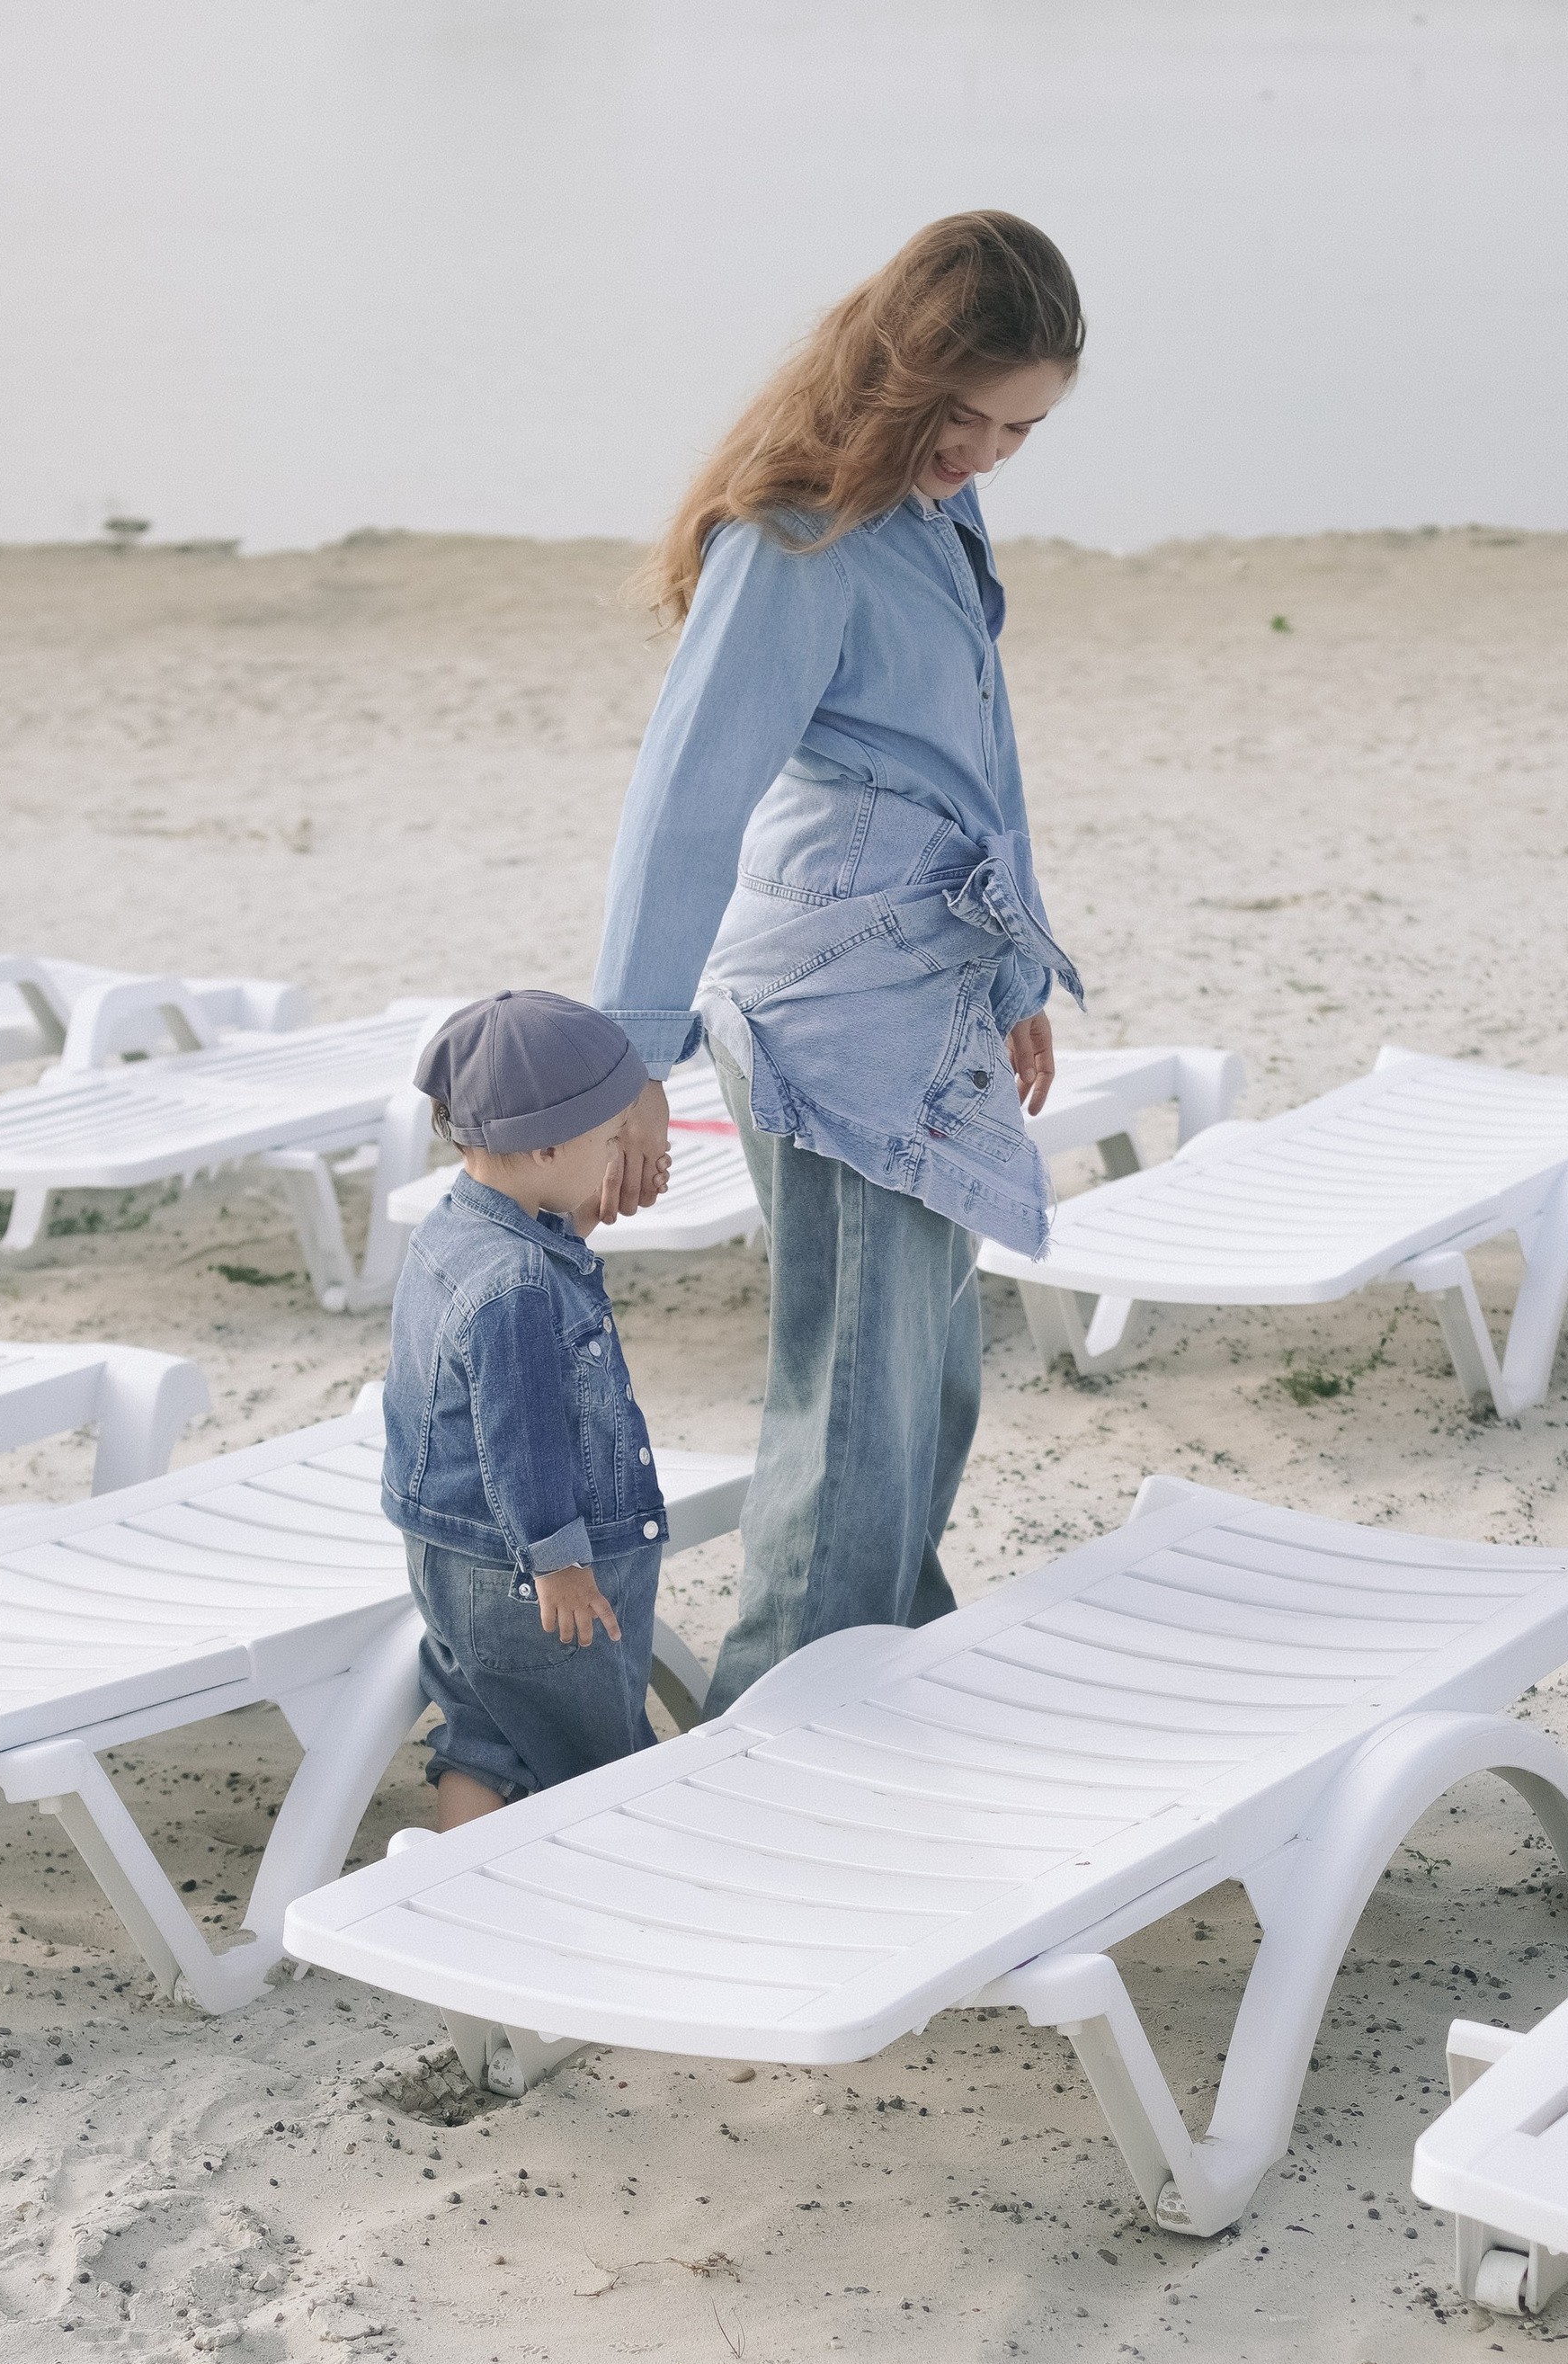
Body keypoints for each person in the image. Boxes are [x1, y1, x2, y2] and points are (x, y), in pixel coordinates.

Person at [594, 209, 1084, 1715]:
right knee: (855, 1406)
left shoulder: (931, 512)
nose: (992, 450)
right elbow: (686, 791)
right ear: (903, 368)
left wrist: (1014, 982)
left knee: (926, 1383)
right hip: (826, 1004)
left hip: (926, 992)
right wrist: (623, 1050)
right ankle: (772, 1732)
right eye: (974, 415)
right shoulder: (791, 535)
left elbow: (976, 759)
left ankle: (892, 1676)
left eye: (1025, 428)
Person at [379, 990, 671, 1828]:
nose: (621, 1151)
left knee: (489, 1728)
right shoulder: (515, 1287)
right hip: (529, 1570)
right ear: (545, 1145)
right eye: (611, 1139)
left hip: (451, 1551)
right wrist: (559, 1561)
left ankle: (453, 1876)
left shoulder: (453, 1232)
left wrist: (569, 1215)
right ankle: (596, 1897)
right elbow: (524, 1435)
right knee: (596, 1746)